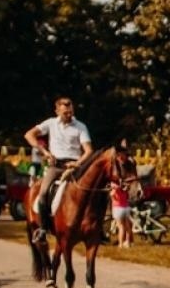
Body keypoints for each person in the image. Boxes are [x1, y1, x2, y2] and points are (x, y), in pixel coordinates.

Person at [25, 97, 93, 238]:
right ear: (57, 111)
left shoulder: (81, 126)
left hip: (75, 166)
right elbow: (29, 135)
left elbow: (88, 150)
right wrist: (44, 152)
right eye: (65, 112)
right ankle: (43, 229)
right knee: (43, 193)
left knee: (92, 191)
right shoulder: (50, 123)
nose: (68, 114)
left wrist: (78, 163)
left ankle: (96, 228)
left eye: (70, 111)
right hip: (56, 166)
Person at [109, 172, 133, 247]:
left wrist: (113, 197)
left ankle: (120, 244)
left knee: (121, 227)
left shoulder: (114, 186)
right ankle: (128, 243)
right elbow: (127, 197)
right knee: (128, 227)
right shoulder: (126, 187)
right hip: (126, 207)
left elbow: (112, 195)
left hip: (118, 208)